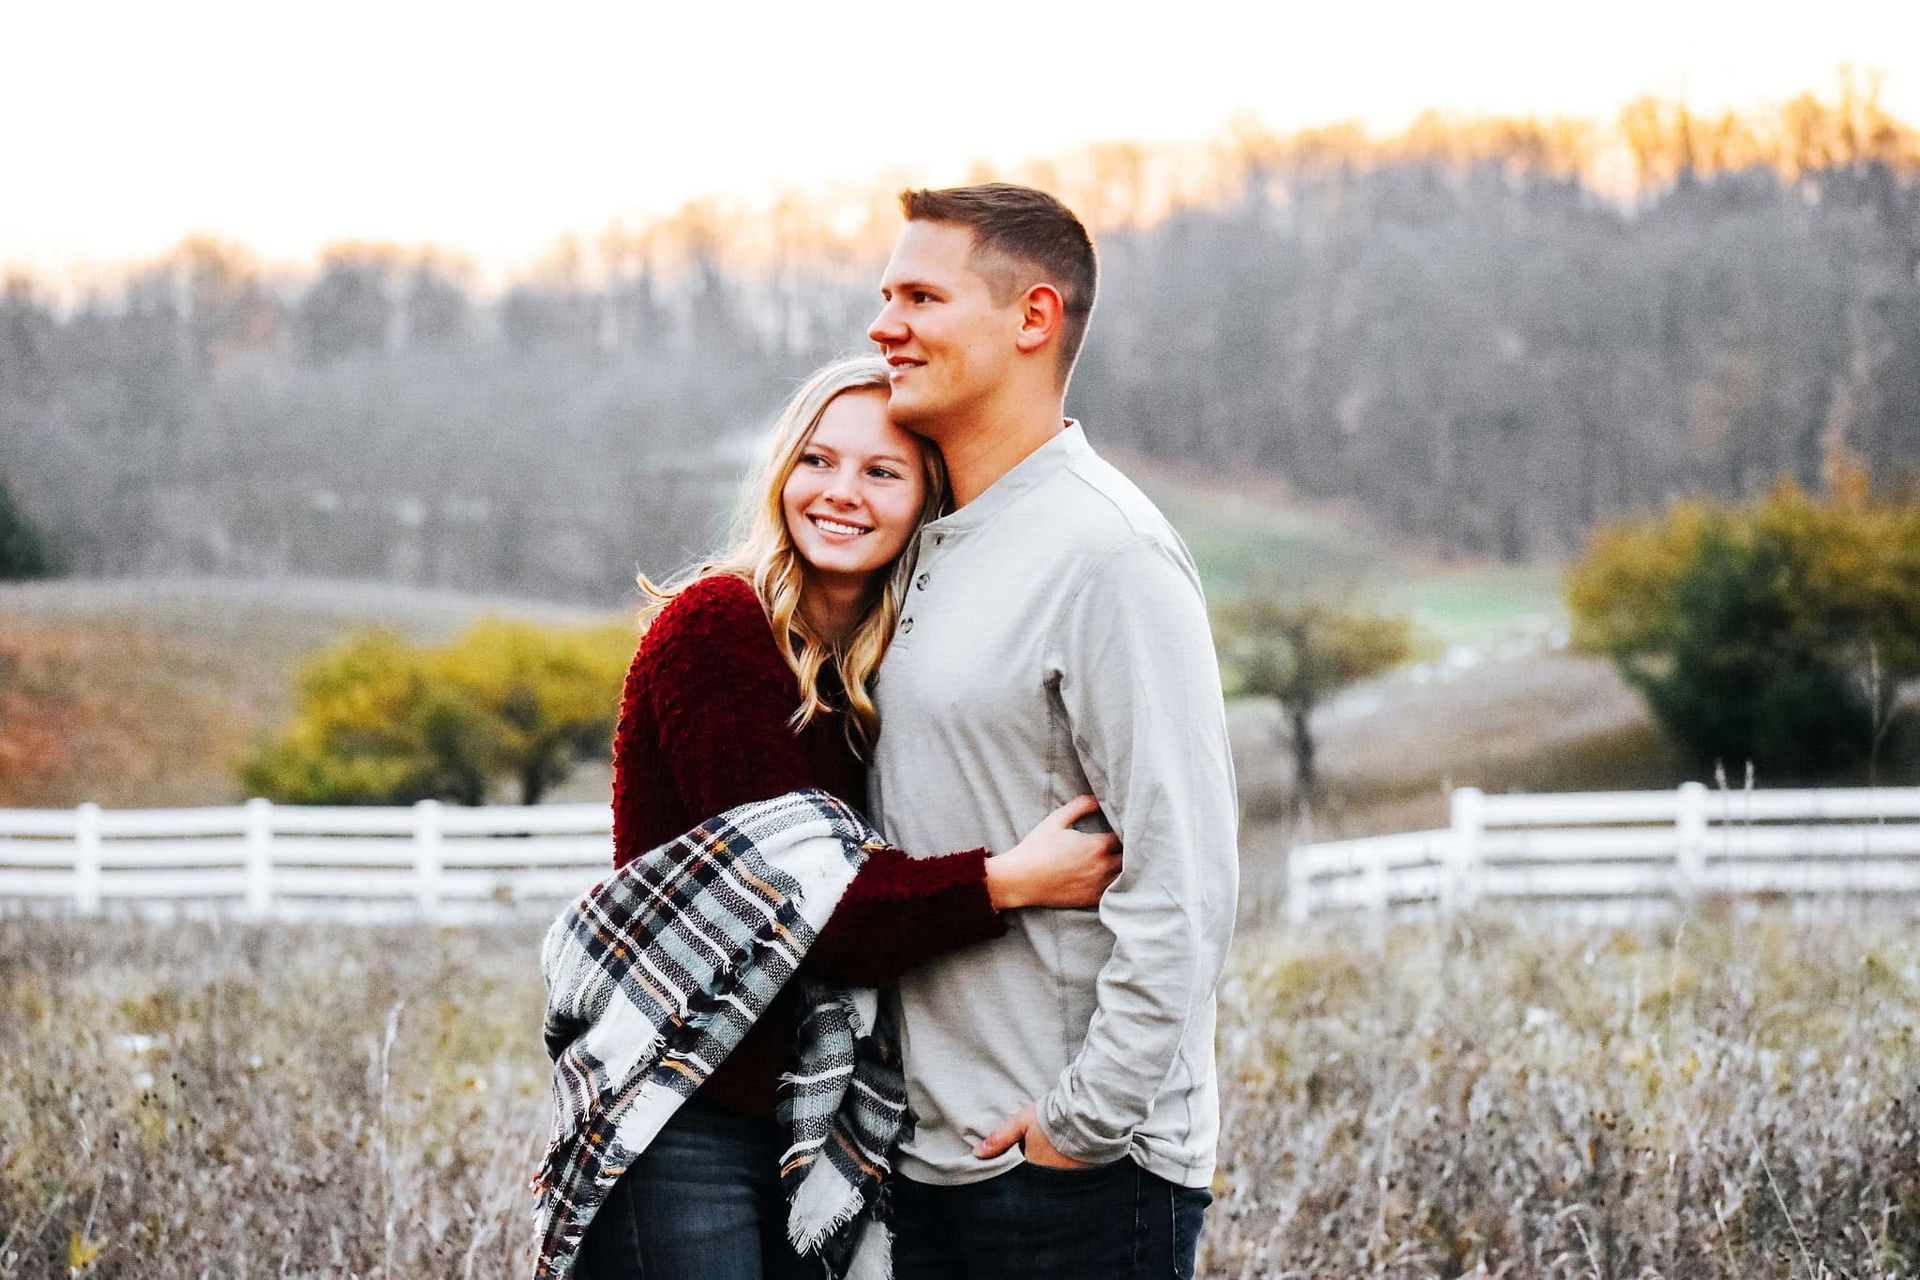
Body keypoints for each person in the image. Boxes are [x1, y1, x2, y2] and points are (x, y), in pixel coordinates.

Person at [570, 354, 1122, 1280]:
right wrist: (1012, 880)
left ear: (926, 499)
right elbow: (803, 912)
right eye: (817, 462)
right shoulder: (717, 628)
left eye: (881, 472)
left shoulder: (891, 664)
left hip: (815, 1117)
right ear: (783, 472)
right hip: (684, 1103)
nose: (840, 493)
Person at [862, 184, 1240, 1279]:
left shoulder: (1107, 552)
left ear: (1033, 318)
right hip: (934, 1161)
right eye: (885, 294)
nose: (884, 323)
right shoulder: (936, 537)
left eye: (921, 295)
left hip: (1070, 1180)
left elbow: (1186, 876)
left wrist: (1083, 1123)